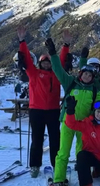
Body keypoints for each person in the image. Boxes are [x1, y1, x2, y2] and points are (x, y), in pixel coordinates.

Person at [44, 37, 100, 186]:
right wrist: (52, 53)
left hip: (84, 126)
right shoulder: (70, 82)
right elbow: (58, 69)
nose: (87, 77)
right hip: (67, 123)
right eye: (85, 74)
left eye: (90, 75)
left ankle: (85, 181)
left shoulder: (94, 89)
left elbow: (97, 108)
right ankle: (58, 179)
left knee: (82, 154)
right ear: (81, 74)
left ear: (93, 77)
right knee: (63, 153)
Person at [17, 26, 69, 178]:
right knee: (37, 139)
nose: (47, 64)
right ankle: (34, 165)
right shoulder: (33, 73)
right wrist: (22, 41)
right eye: (44, 62)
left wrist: (66, 46)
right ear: (40, 64)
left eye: (48, 63)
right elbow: (26, 57)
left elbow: (60, 61)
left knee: (55, 139)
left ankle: (56, 163)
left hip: (53, 111)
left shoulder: (56, 74)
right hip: (37, 111)